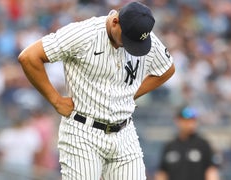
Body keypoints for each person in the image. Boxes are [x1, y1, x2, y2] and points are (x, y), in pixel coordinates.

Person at [18, 1, 175, 180]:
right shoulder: (84, 34)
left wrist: (130, 94)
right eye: (128, 39)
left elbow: (166, 69)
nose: (130, 45)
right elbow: (29, 57)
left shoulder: (140, 35)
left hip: (125, 133)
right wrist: (56, 100)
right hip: (83, 132)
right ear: (115, 21)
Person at [155, 105, 219, 180]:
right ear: (178, 121)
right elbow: (162, 173)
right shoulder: (170, 146)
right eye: (186, 120)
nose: (190, 123)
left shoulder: (203, 145)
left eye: (193, 120)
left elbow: (211, 171)